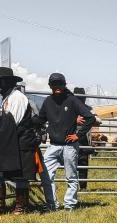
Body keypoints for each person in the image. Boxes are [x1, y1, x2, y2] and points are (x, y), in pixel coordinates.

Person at [0, 67, 42, 214]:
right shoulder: (7, 98)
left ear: (9, 82)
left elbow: (11, 122)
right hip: (11, 144)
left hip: (21, 142)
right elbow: (7, 119)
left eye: (0, 81)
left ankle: (22, 207)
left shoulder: (17, 97)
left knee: (20, 176)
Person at [33, 73, 95, 211]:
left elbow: (90, 118)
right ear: (50, 86)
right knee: (46, 175)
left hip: (69, 146)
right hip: (53, 145)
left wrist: (78, 135)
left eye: (60, 84)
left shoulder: (72, 100)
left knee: (71, 176)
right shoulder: (48, 101)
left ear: (64, 85)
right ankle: (52, 204)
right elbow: (40, 119)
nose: (57, 87)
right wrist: (25, 120)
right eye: (54, 84)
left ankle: (69, 205)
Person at [73, 87, 99, 190]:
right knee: (72, 162)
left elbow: (98, 120)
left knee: (83, 162)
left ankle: (83, 186)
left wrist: (91, 119)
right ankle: (73, 186)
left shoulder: (88, 108)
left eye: (82, 97)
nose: (81, 99)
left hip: (83, 139)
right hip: (72, 138)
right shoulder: (71, 107)